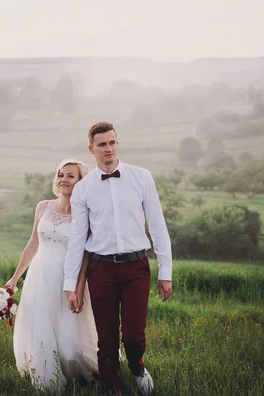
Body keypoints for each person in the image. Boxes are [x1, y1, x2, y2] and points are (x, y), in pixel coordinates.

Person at [63, 121, 174, 395]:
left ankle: (136, 366)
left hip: (137, 266)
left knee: (134, 336)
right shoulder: (83, 189)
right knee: (107, 339)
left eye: (112, 142)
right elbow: (77, 239)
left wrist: (165, 271)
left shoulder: (142, 177)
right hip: (101, 270)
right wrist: (70, 284)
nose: (108, 148)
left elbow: (158, 226)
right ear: (92, 149)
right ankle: (113, 387)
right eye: (102, 144)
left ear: (117, 143)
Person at [5, 159, 99, 392]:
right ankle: (46, 374)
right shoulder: (43, 207)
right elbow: (33, 243)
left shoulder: (85, 213)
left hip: (68, 279)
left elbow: (87, 255)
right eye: (60, 175)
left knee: (70, 343)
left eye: (70, 176)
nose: (63, 180)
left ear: (80, 181)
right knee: (40, 329)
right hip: (39, 277)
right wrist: (15, 278)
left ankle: (85, 375)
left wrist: (78, 287)